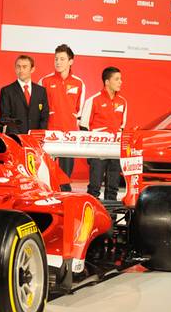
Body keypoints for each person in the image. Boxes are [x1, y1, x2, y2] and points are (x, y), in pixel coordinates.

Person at [39, 44, 86, 191]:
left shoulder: (79, 83)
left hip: (69, 134)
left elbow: (79, 110)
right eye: (56, 59)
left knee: (65, 175)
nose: (58, 62)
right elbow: (39, 108)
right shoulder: (45, 81)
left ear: (71, 61)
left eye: (62, 59)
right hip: (49, 132)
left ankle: (65, 196)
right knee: (47, 170)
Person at [79, 66, 128, 201]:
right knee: (94, 187)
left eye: (120, 79)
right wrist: (89, 154)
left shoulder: (123, 102)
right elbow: (84, 127)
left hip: (115, 150)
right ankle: (91, 213)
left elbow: (122, 128)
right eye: (117, 79)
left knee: (113, 188)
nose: (120, 82)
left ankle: (111, 214)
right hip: (97, 150)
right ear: (107, 82)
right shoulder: (93, 100)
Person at [0, 54, 50, 134]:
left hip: (35, 138)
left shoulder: (41, 91)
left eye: (24, 67)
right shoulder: (7, 91)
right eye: (18, 67)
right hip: (15, 137)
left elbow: (44, 116)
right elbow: (5, 117)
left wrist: (38, 135)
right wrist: (18, 137)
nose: (21, 70)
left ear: (32, 69)